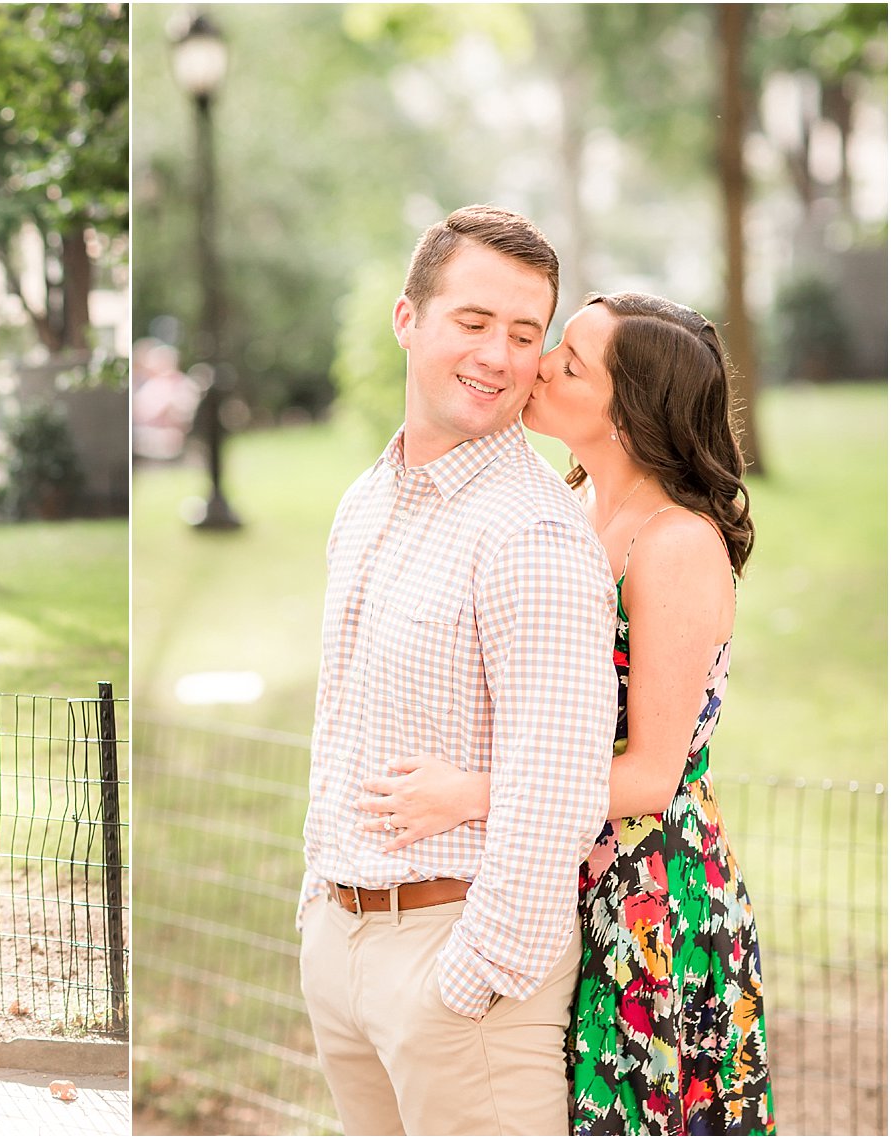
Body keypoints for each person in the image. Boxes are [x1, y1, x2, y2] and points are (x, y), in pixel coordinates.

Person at [362, 293, 775, 1133]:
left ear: (627, 413)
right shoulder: (571, 504)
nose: (539, 363)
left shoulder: (674, 545)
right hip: (557, 871)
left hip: (647, 901)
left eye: (571, 362)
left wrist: (471, 793)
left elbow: (654, 776)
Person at [298, 204, 619, 1136]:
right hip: (343, 943)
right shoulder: (365, 502)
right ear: (409, 320)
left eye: (525, 335)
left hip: (459, 963)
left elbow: (560, 780)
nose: (499, 355)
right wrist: (318, 905)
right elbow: (338, 719)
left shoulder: (534, 533)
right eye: (473, 322)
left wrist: (475, 975)